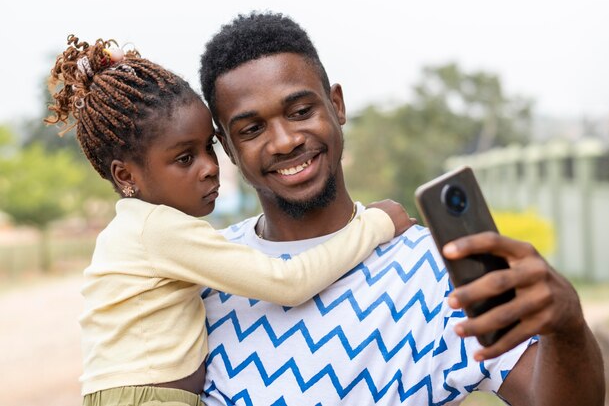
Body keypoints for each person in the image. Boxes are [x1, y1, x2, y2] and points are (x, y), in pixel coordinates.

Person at [198, 12, 604, 405]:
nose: (285, 141)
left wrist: (567, 328)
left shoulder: (441, 270)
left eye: (301, 111)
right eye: (251, 129)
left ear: (336, 105)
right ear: (228, 147)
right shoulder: (201, 274)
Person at [45, 35, 415, 406]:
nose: (209, 168)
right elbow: (288, 282)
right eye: (185, 158)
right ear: (126, 176)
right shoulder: (158, 230)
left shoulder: (137, 229)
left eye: (210, 147)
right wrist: (377, 223)